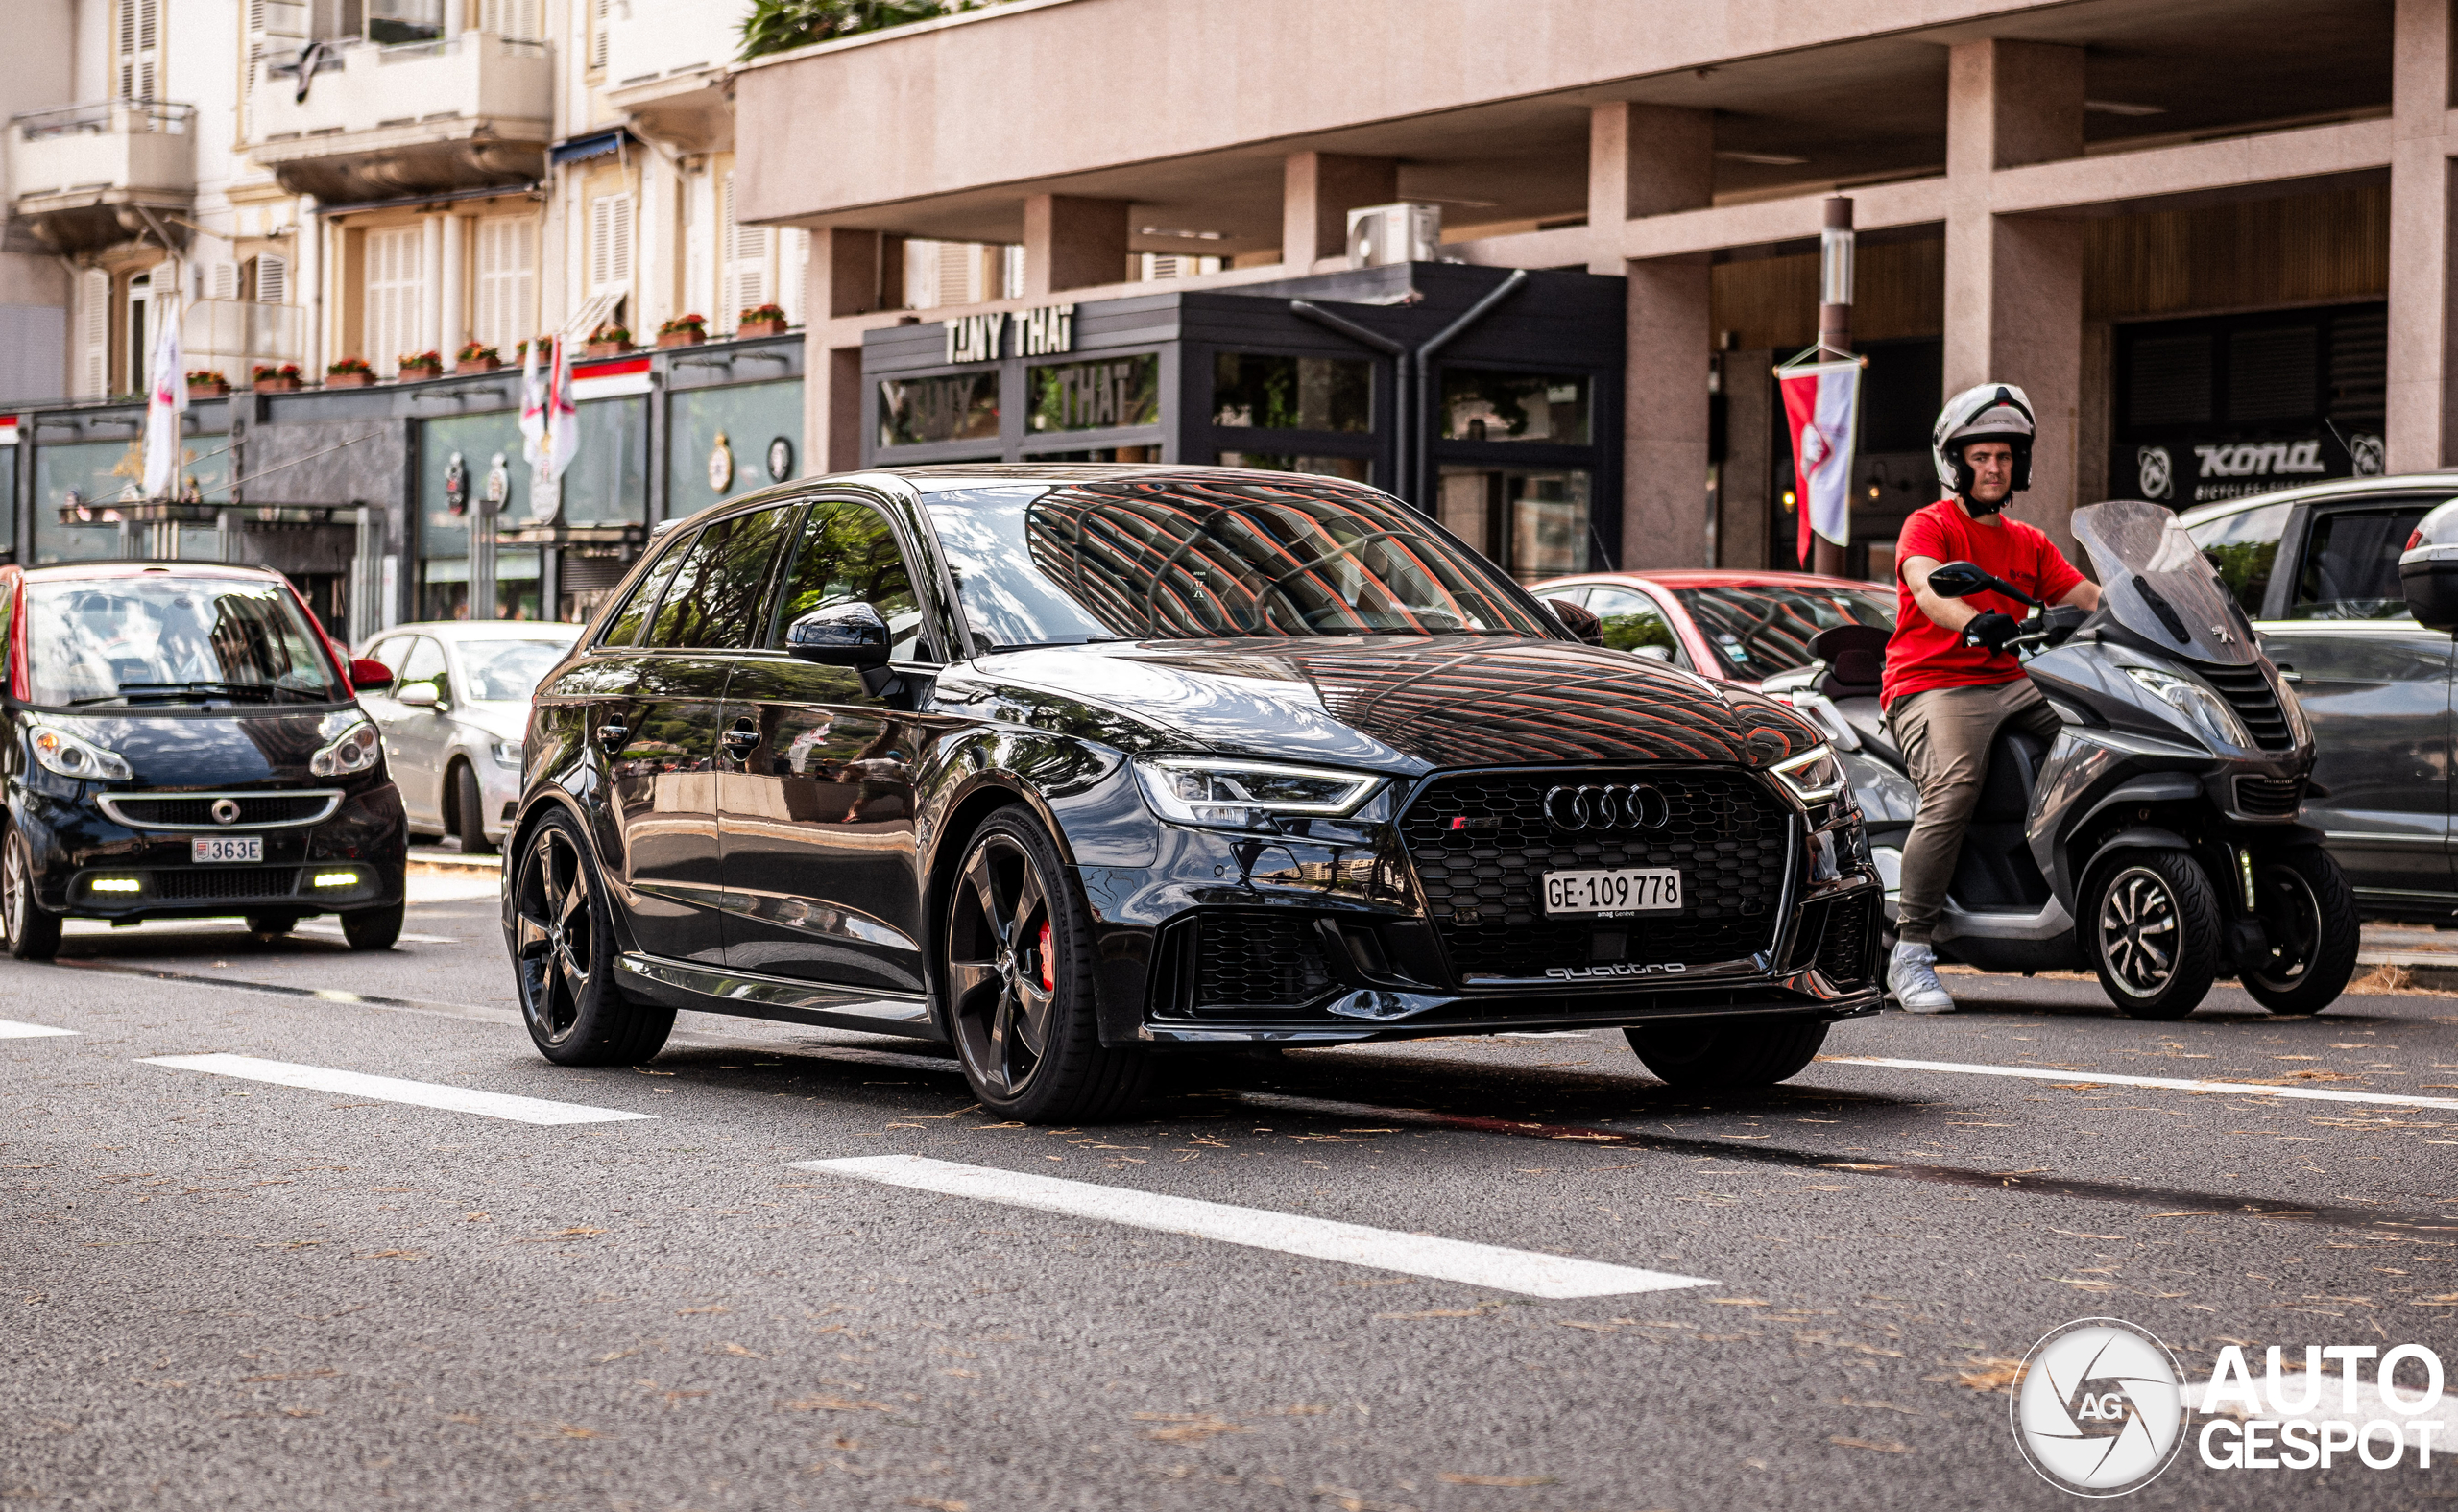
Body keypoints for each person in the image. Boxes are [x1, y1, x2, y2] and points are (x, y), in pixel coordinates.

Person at [1881, 383, 2103, 1015]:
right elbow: (1926, 587)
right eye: (1981, 456)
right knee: (1954, 786)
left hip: (2011, 679)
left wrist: (2161, 612)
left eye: (2004, 456)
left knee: (2103, 731)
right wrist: (1971, 619)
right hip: (1933, 680)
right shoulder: (1929, 524)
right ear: (1956, 463)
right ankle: (1912, 949)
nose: (1994, 467)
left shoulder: (2029, 541)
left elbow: (2087, 594)